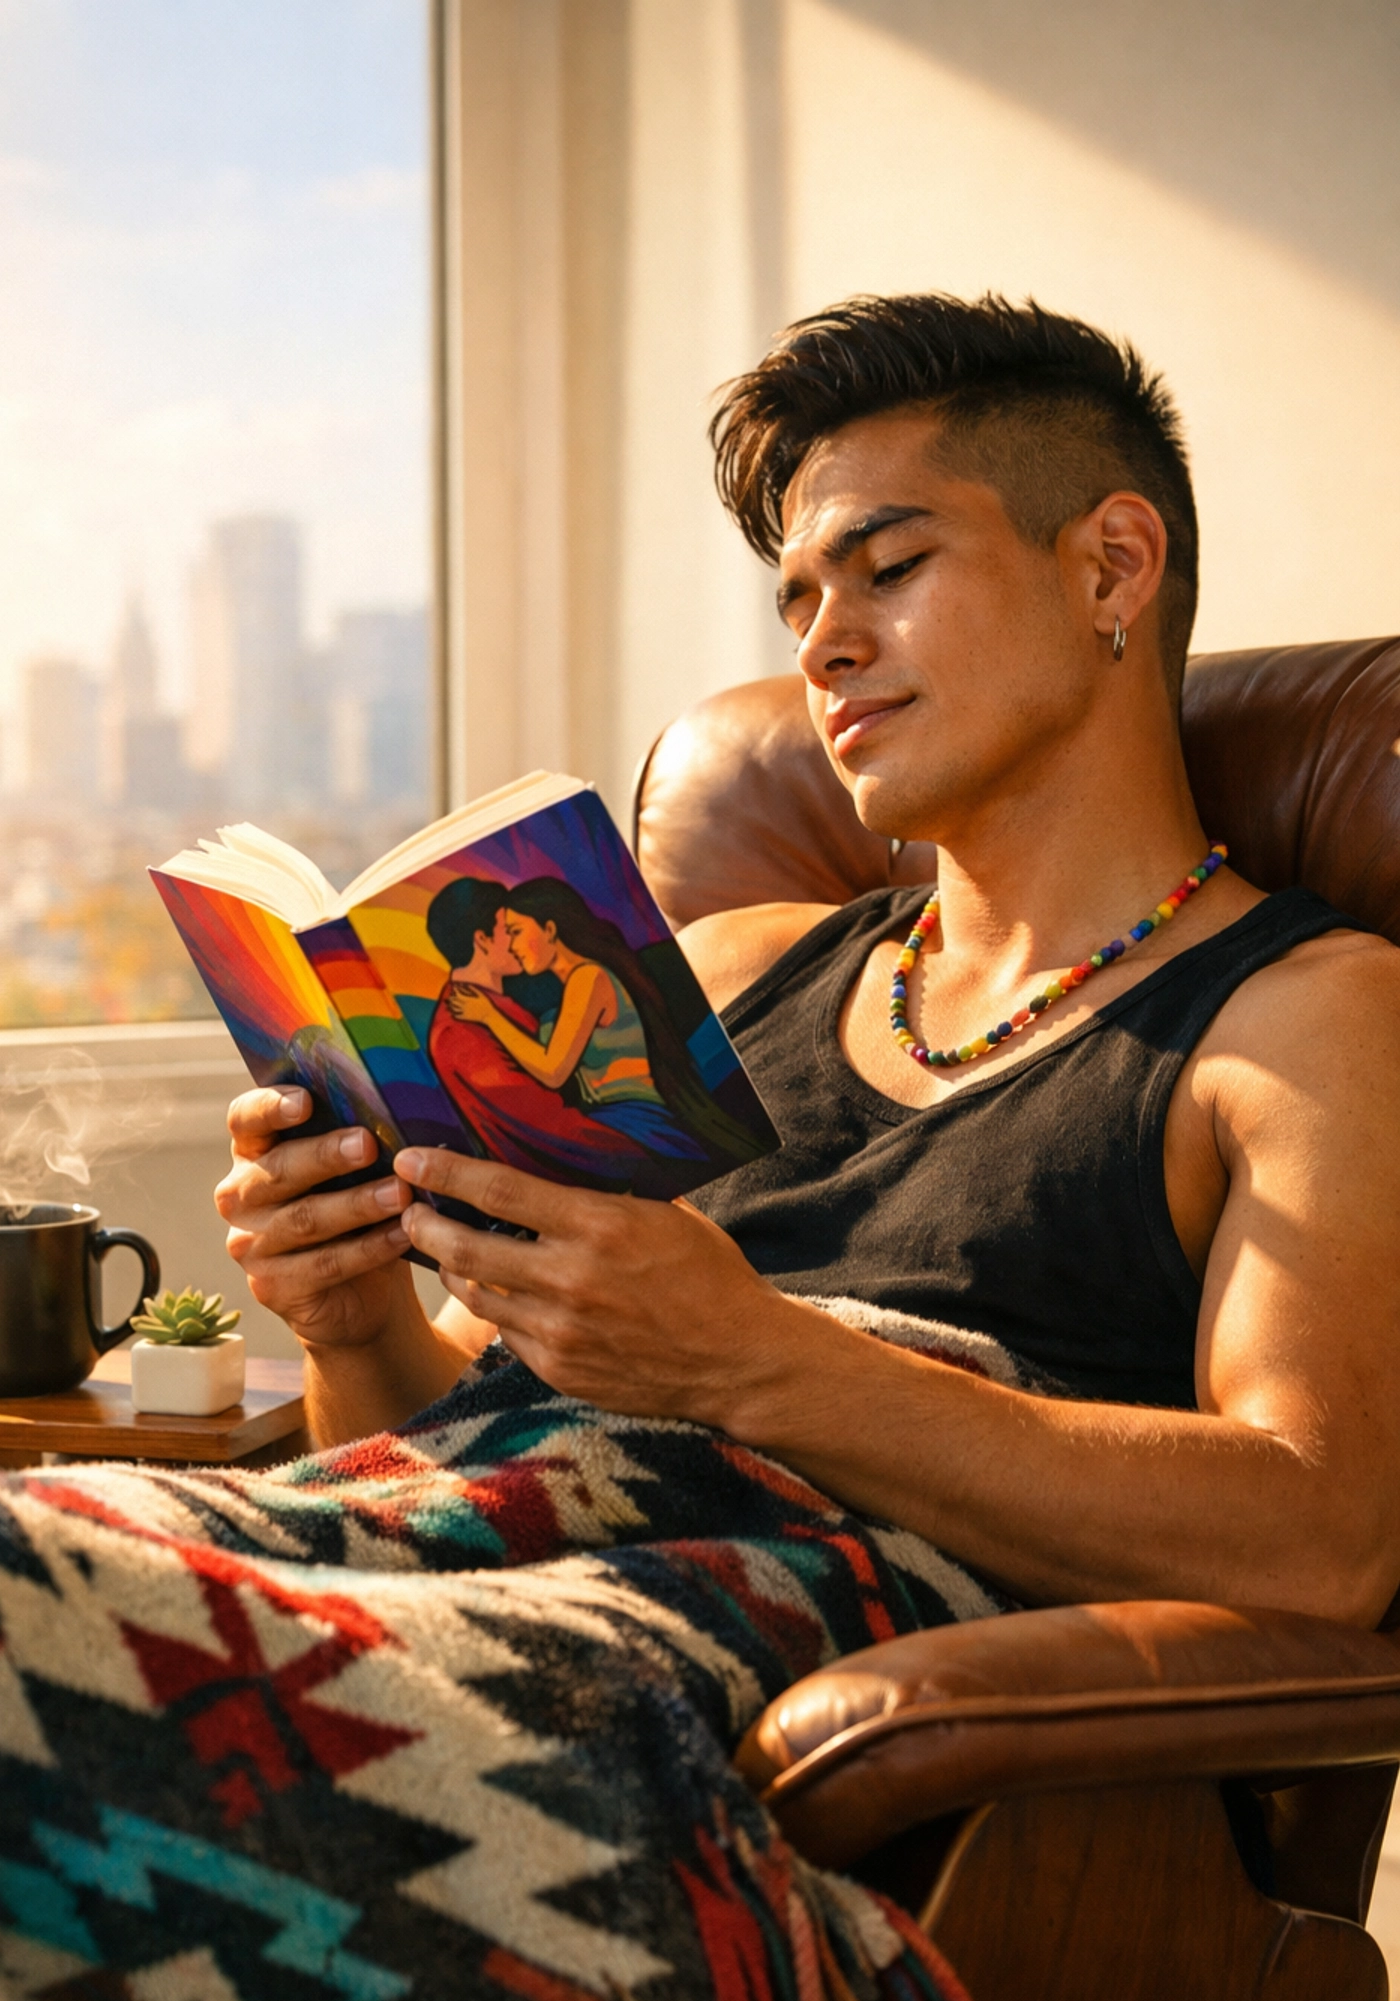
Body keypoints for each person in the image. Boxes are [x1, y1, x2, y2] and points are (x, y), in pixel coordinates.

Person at [215, 292, 1400, 1630]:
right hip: (451, 1591)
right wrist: (356, 1320)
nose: (823, 646)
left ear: (1111, 569)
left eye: (889, 569)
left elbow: (1326, 1542)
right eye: (800, 603)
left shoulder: (1309, 1026)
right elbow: (435, 1459)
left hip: (708, 1639)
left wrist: (755, 1361)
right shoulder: (724, 974)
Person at [447, 877, 711, 1165]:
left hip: (637, 1120)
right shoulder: (569, 988)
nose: (511, 946)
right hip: (611, 1118)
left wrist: (488, 1016)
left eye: (516, 932)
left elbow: (553, 1070)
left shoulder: (588, 978)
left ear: (549, 930)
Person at [422, 874, 645, 1186]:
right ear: (482, 940)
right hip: (585, 1173)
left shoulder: (501, 1000)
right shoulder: (459, 1032)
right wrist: (644, 1158)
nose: (517, 943)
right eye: (509, 931)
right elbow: (550, 1129)